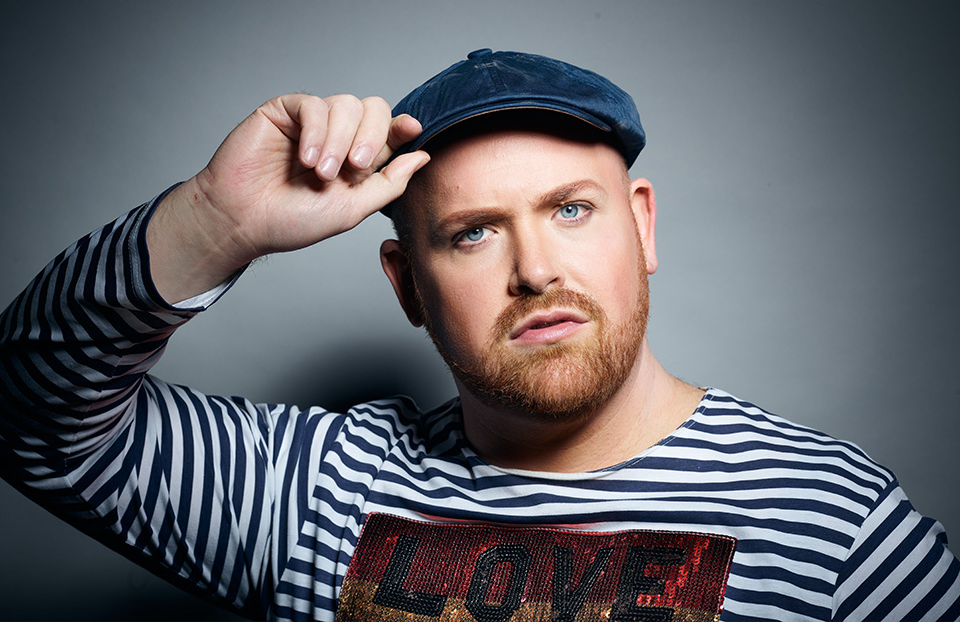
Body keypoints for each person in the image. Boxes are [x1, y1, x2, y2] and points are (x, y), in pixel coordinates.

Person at [0, 49, 957, 621]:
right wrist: (210, 222)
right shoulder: (312, 494)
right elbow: (28, 412)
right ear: (407, 286)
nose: (536, 269)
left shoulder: (829, 518)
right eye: (473, 233)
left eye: (572, 212)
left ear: (644, 227)